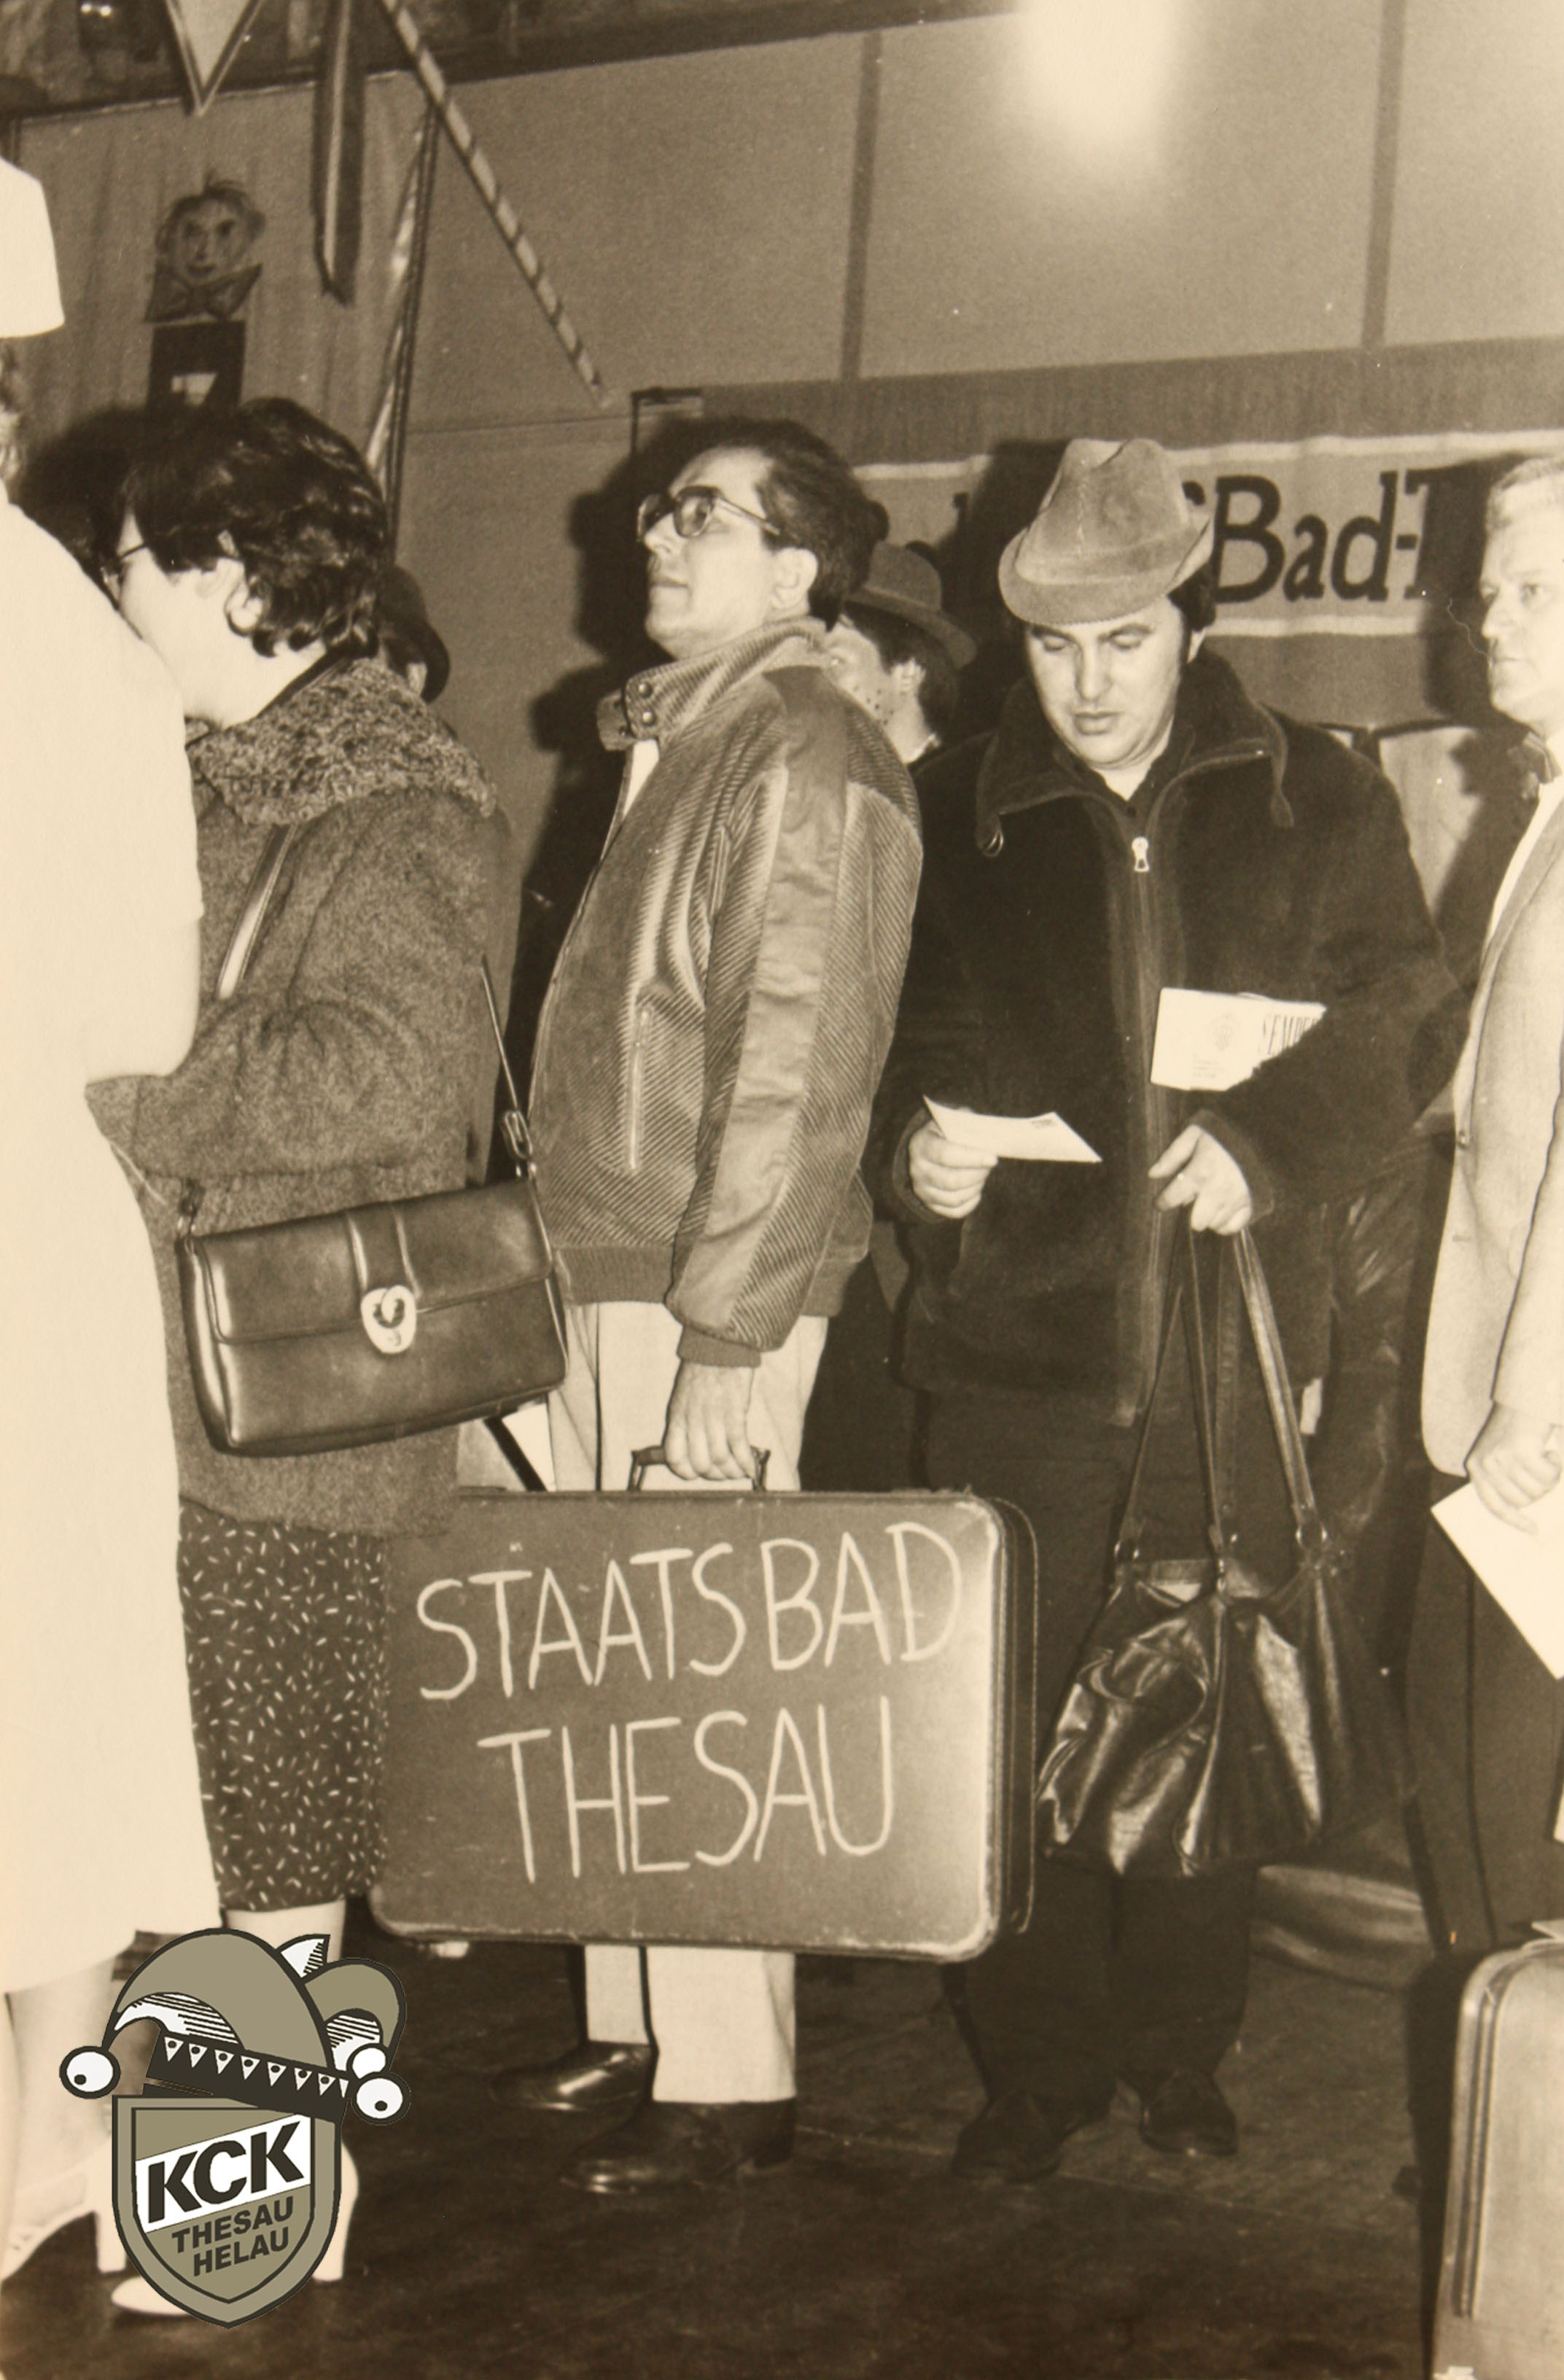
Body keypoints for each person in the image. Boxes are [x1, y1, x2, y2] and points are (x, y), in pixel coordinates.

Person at [871, 436, 1460, 2182]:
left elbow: (1405, 1019)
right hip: (1018, 1356)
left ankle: (1179, 2052)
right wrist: (920, 1158)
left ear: (1190, 630)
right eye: (1055, 649)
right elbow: (900, 1045)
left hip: (1228, 1341)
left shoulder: (1313, 796)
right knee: (1011, 1728)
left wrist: (1265, 1149)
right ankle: (1034, 2071)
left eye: (1122, 643)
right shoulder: (953, 814)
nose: (1087, 685)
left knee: (1210, 1696)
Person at [87, 396, 499, 2305]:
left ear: (234, 575)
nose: (116, 597)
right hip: (189, 1395)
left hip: (297, 1409)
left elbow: (387, 1079)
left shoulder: (394, 798)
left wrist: (124, 1079)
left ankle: (249, 2227)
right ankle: (210, 2207)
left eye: (136, 564)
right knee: (204, 1808)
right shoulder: (225, 780)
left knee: (268, 1827)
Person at [494, 420, 922, 2193]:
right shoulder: (694, 733)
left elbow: (797, 1070)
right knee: (619, 1676)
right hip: (614, 1265)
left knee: (700, 1690)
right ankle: (635, 2023)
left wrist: (726, 1343)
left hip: (699, 1292)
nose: (653, 540)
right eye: (656, 513)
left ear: (798, 568)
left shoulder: (804, 748)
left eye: (699, 518)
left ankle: (727, 2087)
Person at [0, 160, 219, 2294]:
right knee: (41, 1671)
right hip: (41, 1213)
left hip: (17, 1219)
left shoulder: (60, 657)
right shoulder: (93, 651)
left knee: (35, 1670)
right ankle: (49, 2124)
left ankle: (52, 2136)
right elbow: (149, 1018)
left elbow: (145, 1023)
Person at [1408, 455, 1564, 1953]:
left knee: (1509, 1806)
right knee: (1461, 1776)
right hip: (1498, 1396)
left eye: (1531, 592)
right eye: (1487, 592)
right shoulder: (1549, 806)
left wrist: (1534, 1394)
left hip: (1541, 1420)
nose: (1490, 623)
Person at [803, 542, 976, 1493]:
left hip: (902, 1230)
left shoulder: (966, 820)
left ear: (907, 672)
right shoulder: (821, 805)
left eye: (831, 658)